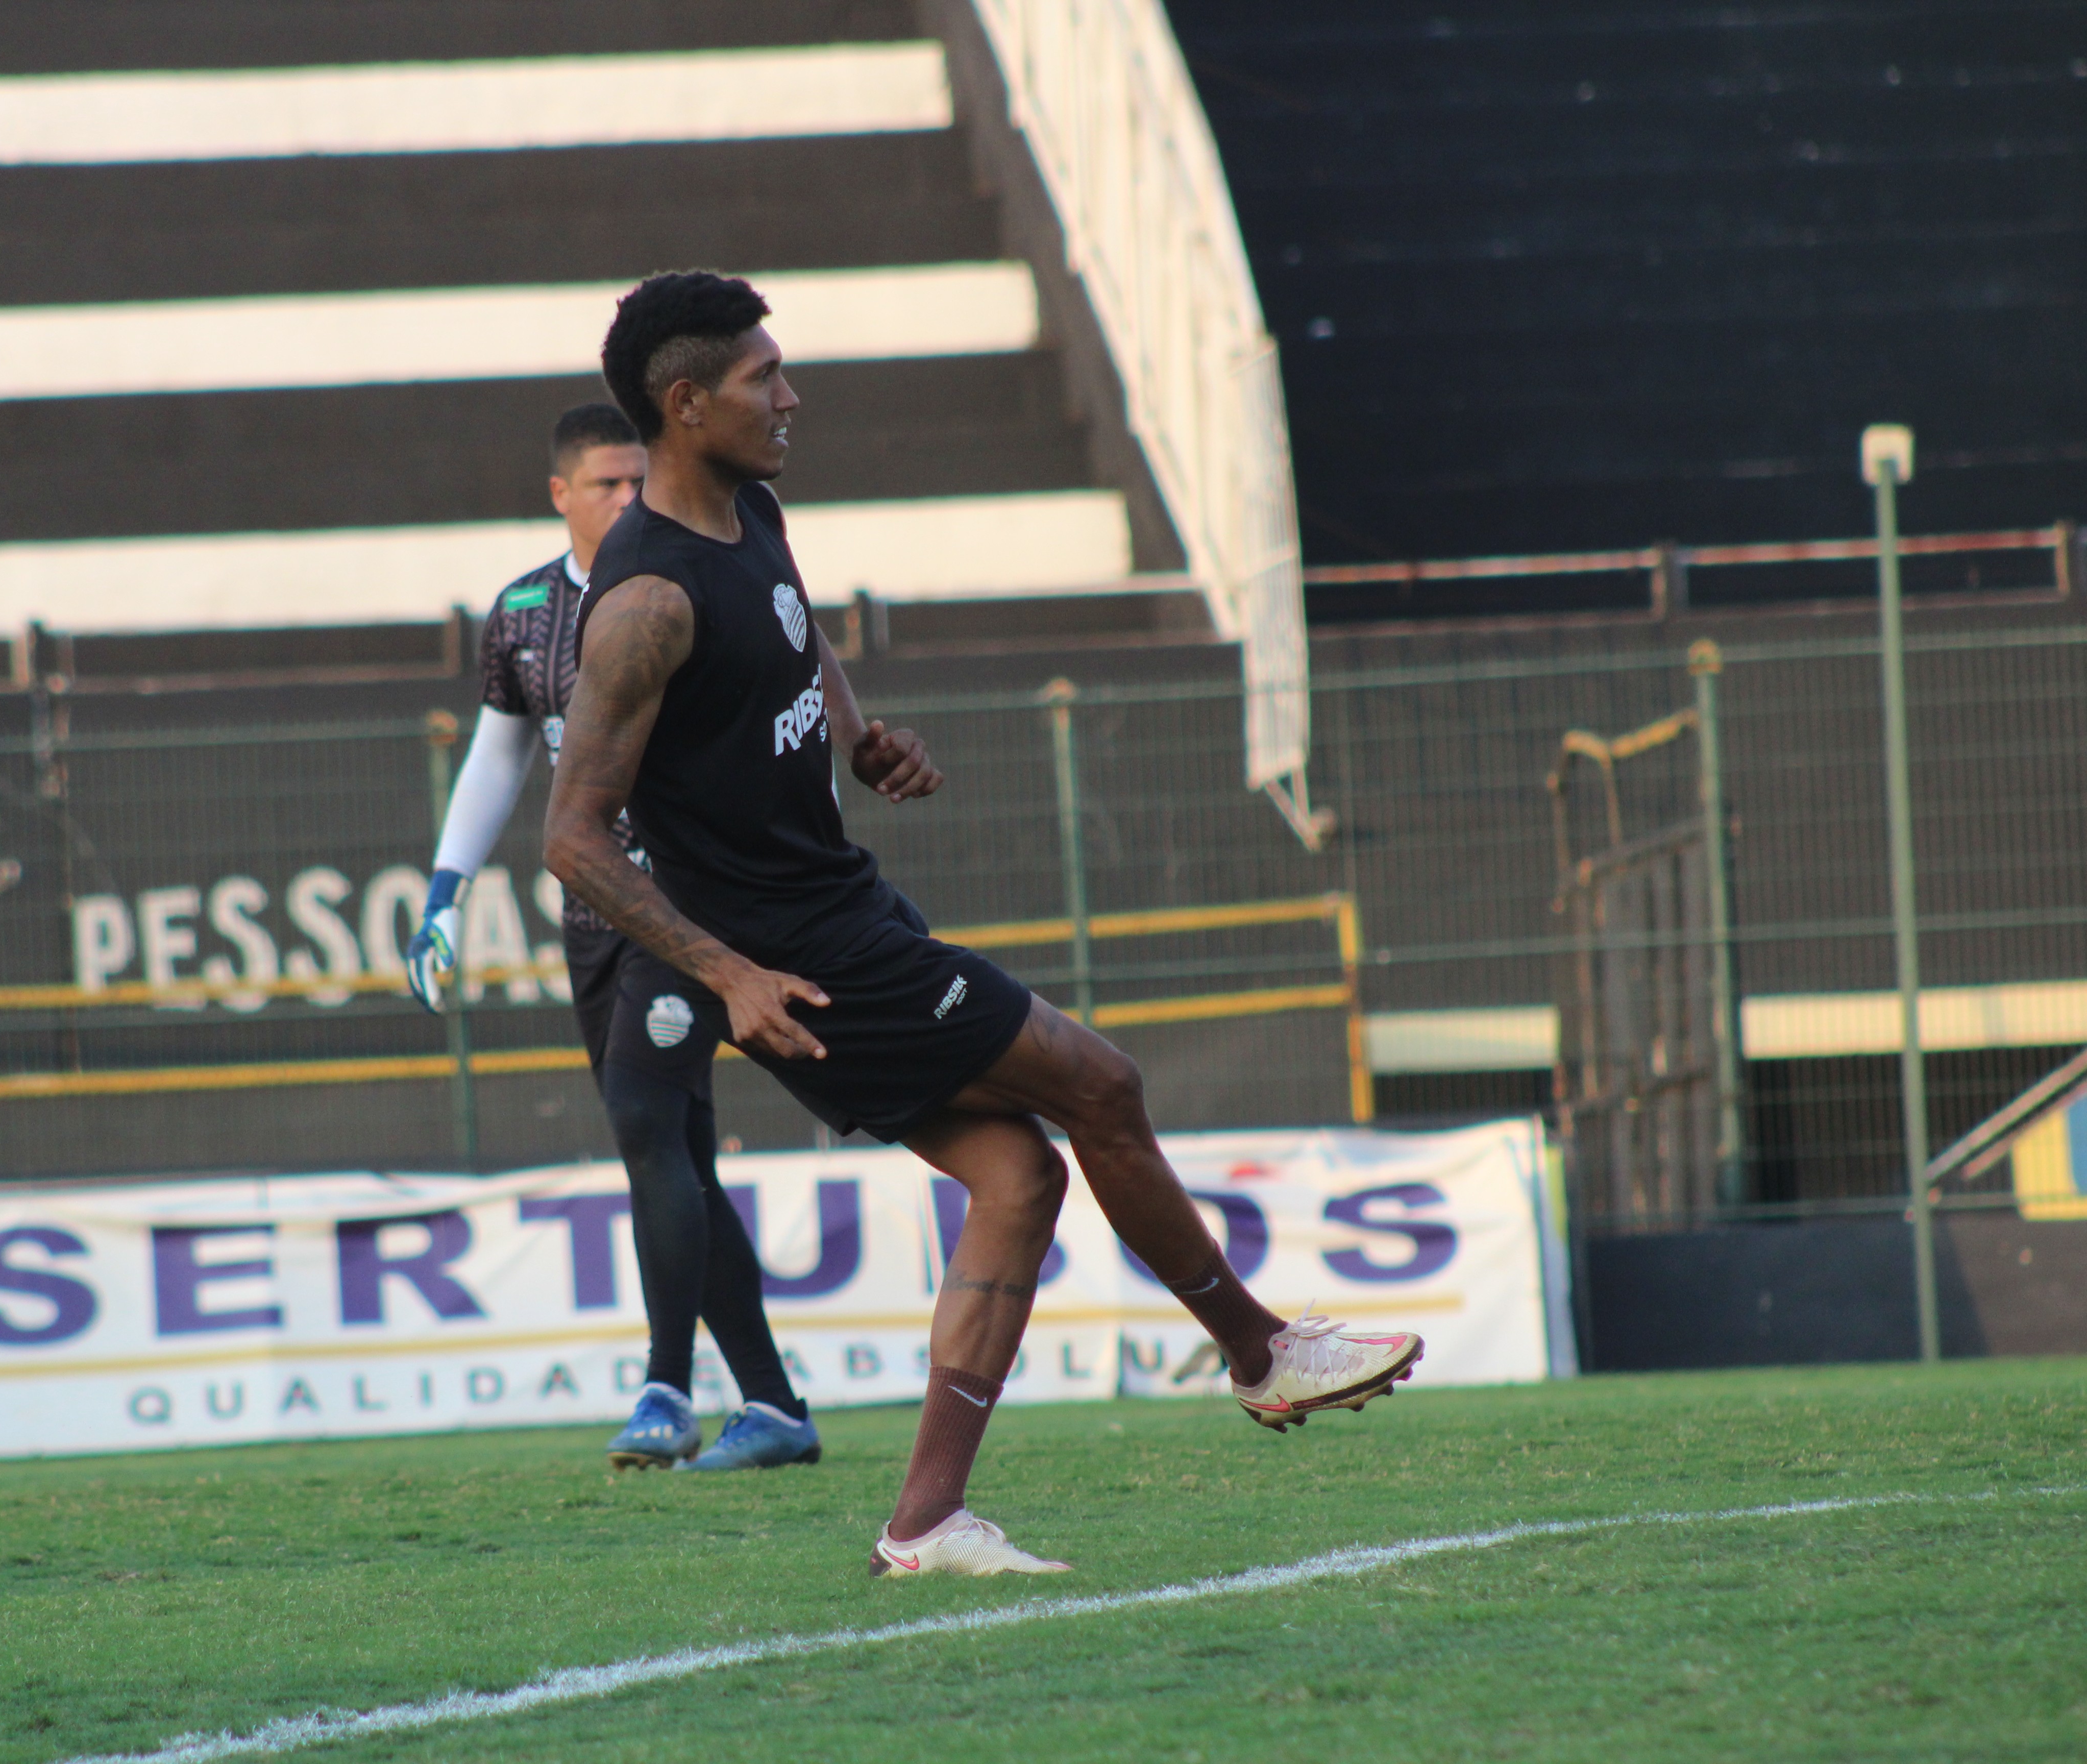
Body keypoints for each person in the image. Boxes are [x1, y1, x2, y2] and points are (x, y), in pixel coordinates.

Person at [544, 273, 1424, 1578]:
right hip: (811, 961)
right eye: (761, 379)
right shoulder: (645, 605)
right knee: (1100, 1085)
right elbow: (571, 836)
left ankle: (924, 1523)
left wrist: (856, 735)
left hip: (840, 915)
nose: (792, 396)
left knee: (1019, 1180)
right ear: (686, 405)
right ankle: (1261, 1350)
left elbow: (792, 631)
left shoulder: (750, 510)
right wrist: (731, 975)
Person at [404, 402, 821, 1473]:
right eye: (608, 485)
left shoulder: (678, 590)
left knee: (645, 1121)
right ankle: (773, 1404)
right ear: (561, 495)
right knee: (673, 1153)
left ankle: (665, 1390)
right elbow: (502, 756)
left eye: (641, 482)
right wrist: (444, 892)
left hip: (681, 905)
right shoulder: (528, 612)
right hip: (589, 913)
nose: (632, 501)